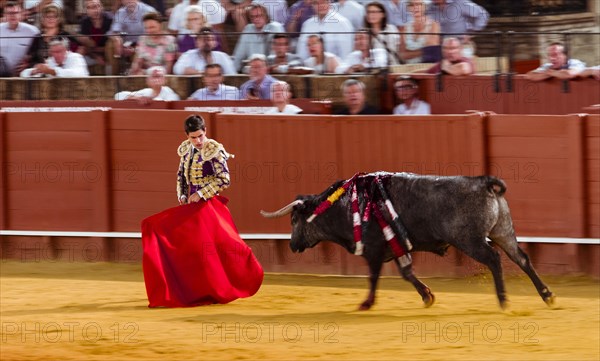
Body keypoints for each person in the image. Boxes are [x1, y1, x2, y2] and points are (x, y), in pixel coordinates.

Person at [141, 114, 264, 308]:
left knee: (216, 250)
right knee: (171, 238)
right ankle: (190, 289)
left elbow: (224, 179)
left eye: (200, 136)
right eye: (193, 137)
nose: (198, 141)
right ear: (187, 136)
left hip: (208, 207)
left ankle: (232, 281)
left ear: (205, 131)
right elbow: (181, 176)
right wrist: (181, 195)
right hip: (190, 207)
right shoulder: (186, 150)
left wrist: (201, 194)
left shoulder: (214, 150)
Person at [105, 0, 157, 75]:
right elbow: (114, 31)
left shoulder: (149, 11)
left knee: (138, 53)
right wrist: (117, 39)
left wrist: (136, 48)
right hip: (126, 43)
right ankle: (114, 78)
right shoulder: (121, 12)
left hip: (144, 43)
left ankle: (135, 79)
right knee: (110, 45)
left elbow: (153, 34)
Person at [232, 3, 284, 73]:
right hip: (252, 68)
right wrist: (234, 72)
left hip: (272, 69)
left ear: (266, 16)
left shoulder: (275, 27)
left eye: (259, 16)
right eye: (252, 17)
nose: (256, 19)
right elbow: (239, 54)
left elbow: (276, 55)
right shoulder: (248, 29)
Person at [0, 1, 40, 76]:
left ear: (21, 14)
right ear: (4, 15)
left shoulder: (33, 31)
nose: (13, 16)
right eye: (9, 13)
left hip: (23, 75)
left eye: (16, 13)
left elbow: (36, 54)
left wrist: (29, 64)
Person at [20, 36, 89, 77]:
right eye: (53, 52)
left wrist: (52, 71)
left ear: (66, 50)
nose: (56, 55)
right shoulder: (51, 61)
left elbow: (77, 74)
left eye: (59, 51)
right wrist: (34, 72)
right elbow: (23, 74)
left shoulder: (76, 57)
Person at [77, 0, 113, 74]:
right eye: (89, 8)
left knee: (110, 47)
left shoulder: (110, 19)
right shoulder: (84, 22)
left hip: (109, 52)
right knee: (81, 50)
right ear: (86, 10)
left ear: (101, 7)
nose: (93, 10)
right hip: (92, 53)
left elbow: (111, 43)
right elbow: (85, 45)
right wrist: (96, 57)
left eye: (95, 6)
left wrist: (100, 50)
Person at [400, 0, 441, 64]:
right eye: (412, 5)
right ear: (408, 8)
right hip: (408, 68)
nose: (416, 7)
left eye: (419, 4)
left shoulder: (433, 25)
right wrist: (424, 50)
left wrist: (410, 52)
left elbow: (432, 51)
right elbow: (402, 55)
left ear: (425, 7)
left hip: (427, 67)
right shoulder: (404, 28)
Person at [114, 65, 180, 102]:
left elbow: (173, 100)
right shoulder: (146, 92)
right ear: (147, 81)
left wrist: (150, 100)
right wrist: (137, 98)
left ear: (165, 80)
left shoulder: (167, 91)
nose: (156, 80)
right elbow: (118, 96)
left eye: (159, 76)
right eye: (153, 77)